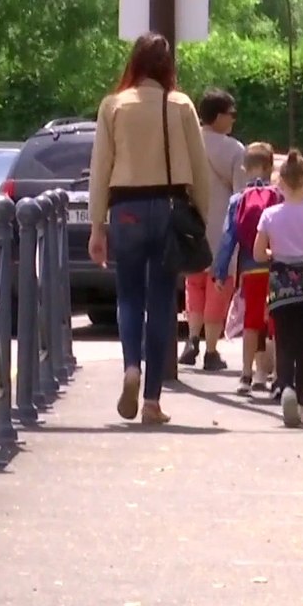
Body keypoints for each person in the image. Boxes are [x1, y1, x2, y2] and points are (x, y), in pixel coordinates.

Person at [87, 32, 213, 425]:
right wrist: (201, 220)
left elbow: (100, 169)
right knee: (161, 302)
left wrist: (97, 225)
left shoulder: (114, 106)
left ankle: (130, 367)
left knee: (128, 295)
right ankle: (153, 401)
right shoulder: (180, 106)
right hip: (170, 205)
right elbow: (199, 167)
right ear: (167, 67)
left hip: (125, 207)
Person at [252, 151, 303, 427]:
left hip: (282, 283)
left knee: (284, 341)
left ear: (281, 182)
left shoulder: (270, 215)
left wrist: (277, 251)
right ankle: (302, 403)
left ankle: (284, 386)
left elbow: (258, 253)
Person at [180, 88, 247, 371]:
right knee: (218, 286)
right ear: (218, 116)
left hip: (191, 227)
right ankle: (210, 349)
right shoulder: (234, 149)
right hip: (222, 231)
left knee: (194, 284)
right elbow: (241, 194)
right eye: (231, 114)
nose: (233, 119)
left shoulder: (186, 143)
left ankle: (191, 338)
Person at [213, 142, 281, 394]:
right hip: (276, 267)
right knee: (274, 322)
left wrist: (220, 271)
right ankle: (276, 377)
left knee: (252, 322)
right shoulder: (279, 197)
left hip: (250, 268)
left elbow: (228, 237)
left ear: (245, 167)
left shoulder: (238, 199)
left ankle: (246, 375)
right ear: (270, 166)